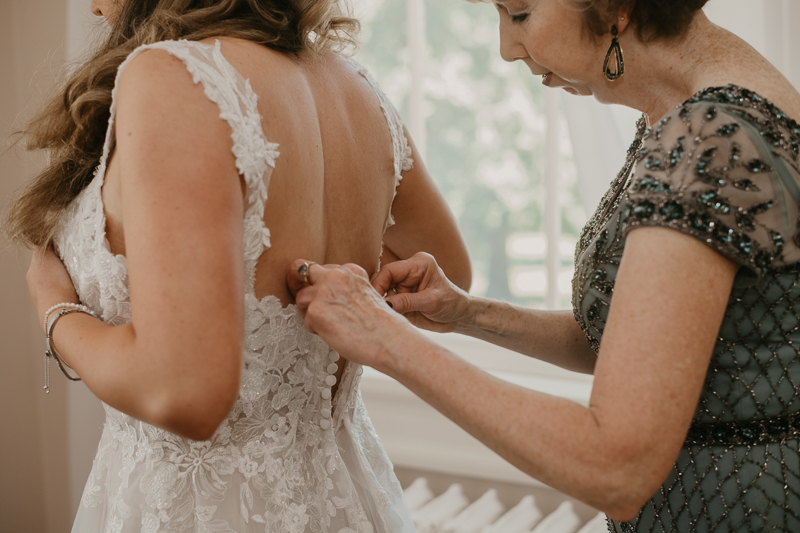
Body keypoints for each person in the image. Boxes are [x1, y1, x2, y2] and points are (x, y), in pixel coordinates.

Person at [286, 0, 800, 531]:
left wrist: (384, 338)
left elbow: (615, 468)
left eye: (521, 14)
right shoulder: (696, 113)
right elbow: (643, 348)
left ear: (614, 7)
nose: (507, 49)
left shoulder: (709, 141)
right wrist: (468, 314)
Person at [11, 0, 471, 530]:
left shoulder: (174, 76)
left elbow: (185, 395)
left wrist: (53, 306)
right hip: (344, 496)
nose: (93, 6)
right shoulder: (357, 89)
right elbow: (444, 276)